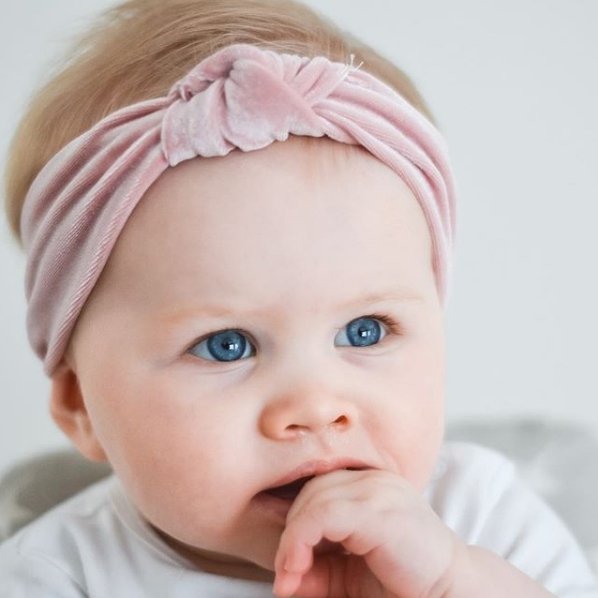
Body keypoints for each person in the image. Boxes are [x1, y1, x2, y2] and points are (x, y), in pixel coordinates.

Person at [1, 0, 596, 596]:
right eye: (225, 345)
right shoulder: (56, 575)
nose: (316, 407)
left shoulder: (483, 519)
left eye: (365, 330)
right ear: (81, 404)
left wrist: (448, 582)